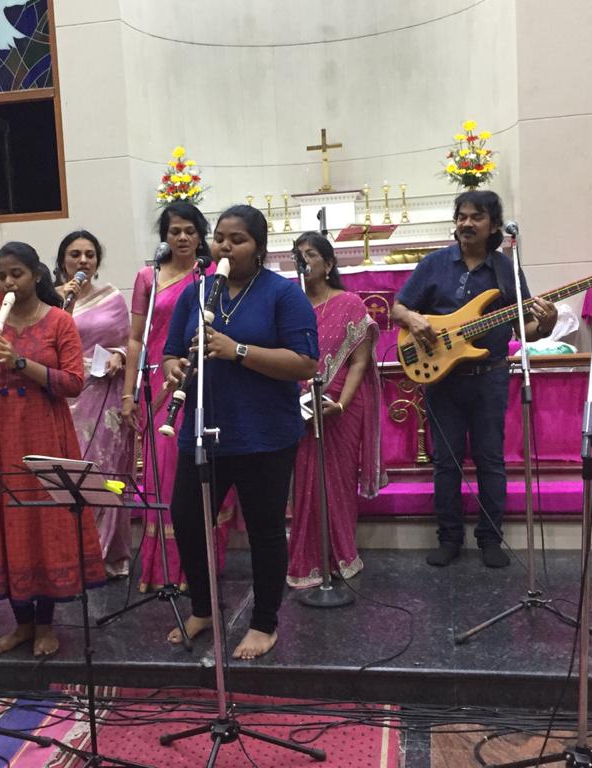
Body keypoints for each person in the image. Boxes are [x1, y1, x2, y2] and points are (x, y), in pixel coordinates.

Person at [162, 205, 318, 660]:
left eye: (238, 240)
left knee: (264, 530)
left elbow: (305, 364)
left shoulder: (282, 294)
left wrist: (238, 351)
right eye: (221, 239)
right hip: (203, 429)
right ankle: (203, 609)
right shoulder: (197, 293)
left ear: (259, 247)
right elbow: (171, 352)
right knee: (188, 520)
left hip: (263, 434)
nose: (225, 247)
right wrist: (174, 369)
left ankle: (264, 623)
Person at [391, 190, 558, 569]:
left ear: (494, 225)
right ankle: (449, 538)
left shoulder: (506, 270)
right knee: (446, 462)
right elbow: (398, 307)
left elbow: (526, 329)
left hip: (489, 377)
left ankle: (490, 539)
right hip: (443, 379)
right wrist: (414, 319)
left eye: (476, 217)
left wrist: (546, 323)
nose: (466, 223)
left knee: (490, 460)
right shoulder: (435, 264)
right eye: (462, 216)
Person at [0, 242, 105, 657]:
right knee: (8, 522)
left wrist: (20, 362)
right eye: (2, 275)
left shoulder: (59, 320)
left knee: (45, 523)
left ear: (36, 275)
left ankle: (45, 624)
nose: (8, 282)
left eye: (17, 274)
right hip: (0, 434)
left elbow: (74, 382)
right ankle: (22, 624)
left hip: (44, 431)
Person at [120, 202, 229, 592]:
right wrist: (129, 393)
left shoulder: (215, 276)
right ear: (164, 237)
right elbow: (135, 339)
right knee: (165, 473)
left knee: (203, 473)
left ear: (201, 235)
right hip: (162, 383)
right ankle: (165, 568)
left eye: (189, 231)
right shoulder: (148, 276)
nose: (182, 237)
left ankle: (201, 570)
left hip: (207, 380)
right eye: (174, 231)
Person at [286, 232, 385, 588]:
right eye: (299, 255)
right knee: (306, 483)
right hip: (300, 406)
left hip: (342, 405)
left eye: (311, 254)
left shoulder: (349, 303)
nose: (304, 260)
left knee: (337, 482)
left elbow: (359, 361)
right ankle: (308, 559)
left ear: (328, 264)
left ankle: (340, 554)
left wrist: (341, 403)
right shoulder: (289, 304)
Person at [54, 230, 134, 578]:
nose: (83, 261)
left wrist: (119, 356)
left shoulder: (112, 298)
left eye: (89, 254)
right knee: (68, 473)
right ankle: (72, 553)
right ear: (62, 261)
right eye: (75, 254)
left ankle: (106, 555)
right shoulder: (50, 299)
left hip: (104, 393)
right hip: (63, 395)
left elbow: (128, 342)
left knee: (104, 470)